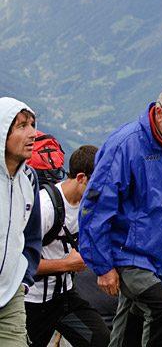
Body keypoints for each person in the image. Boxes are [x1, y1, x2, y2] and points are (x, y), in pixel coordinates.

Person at [79, 82, 162, 347]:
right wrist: (103, 265)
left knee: (134, 319)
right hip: (127, 252)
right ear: (161, 113)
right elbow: (95, 207)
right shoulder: (125, 144)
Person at [25, 144, 110, 347]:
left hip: (64, 297)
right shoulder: (44, 208)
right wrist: (67, 265)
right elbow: (21, 264)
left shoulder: (87, 205)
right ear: (80, 178)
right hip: (31, 303)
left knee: (102, 341)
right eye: (97, 182)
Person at [0, 98, 42, 347]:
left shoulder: (29, 178)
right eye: (22, 126)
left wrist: (24, 280)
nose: (32, 134)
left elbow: (31, 234)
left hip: (10, 293)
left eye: (33, 125)